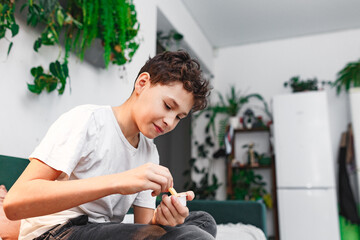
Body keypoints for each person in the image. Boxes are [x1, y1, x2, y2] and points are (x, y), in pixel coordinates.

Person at [3, 50, 216, 240]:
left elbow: (143, 228)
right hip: (58, 232)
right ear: (142, 83)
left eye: (179, 117)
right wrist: (120, 181)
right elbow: (14, 203)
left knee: (203, 221)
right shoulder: (88, 121)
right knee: (193, 236)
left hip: (102, 230)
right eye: (168, 106)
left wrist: (163, 221)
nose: (170, 122)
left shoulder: (149, 153)